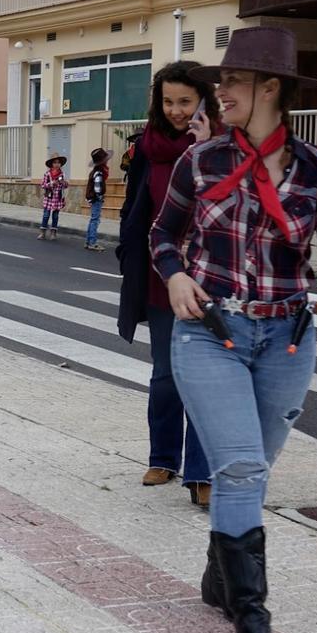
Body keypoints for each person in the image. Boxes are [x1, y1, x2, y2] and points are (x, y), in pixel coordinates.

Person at [150, 27, 317, 633]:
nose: (218, 93)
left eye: (232, 82)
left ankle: (219, 576)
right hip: (209, 330)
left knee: (248, 470)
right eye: (220, 82)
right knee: (243, 466)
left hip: (287, 340)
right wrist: (173, 276)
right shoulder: (201, 160)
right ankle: (251, 610)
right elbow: (162, 235)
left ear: (270, 88)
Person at [117, 61, 220, 507]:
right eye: (169, 102)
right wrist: (128, 253)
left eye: (186, 101)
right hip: (162, 275)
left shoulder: (223, 146)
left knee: (204, 377)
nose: (177, 111)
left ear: (203, 102)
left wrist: (207, 149)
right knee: (165, 375)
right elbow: (136, 206)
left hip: (210, 275)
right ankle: (163, 456)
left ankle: (202, 474)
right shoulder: (148, 147)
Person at [84, 148, 111, 251]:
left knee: (93, 220)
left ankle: (88, 241)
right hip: (96, 199)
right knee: (95, 220)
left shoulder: (95, 171)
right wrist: (100, 197)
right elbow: (98, 189)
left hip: (92, 198)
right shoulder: (99, 173)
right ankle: (92, 243)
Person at [37, 153, 66, 240]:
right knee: (46, 215)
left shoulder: (62, 174)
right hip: (49, 198)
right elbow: (43, 185)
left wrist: (64, 183)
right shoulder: (47, 174)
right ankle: (43, 232)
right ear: (51, 164)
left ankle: (53, 233)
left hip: (58, 198)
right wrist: (52, 183)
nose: (57, 164)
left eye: (58, 162)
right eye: (55, 163)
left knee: (55, 216)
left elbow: (64, 187)